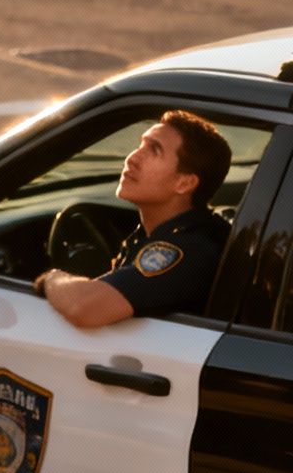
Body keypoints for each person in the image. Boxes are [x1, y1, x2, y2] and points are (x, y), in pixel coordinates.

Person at [32, 111, 233, 328]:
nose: (133, 158)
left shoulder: (192, 250)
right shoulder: (154, 232)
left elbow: (86, 308)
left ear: (184, 183)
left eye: (154, 150)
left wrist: (50, 279)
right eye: (141, 145)